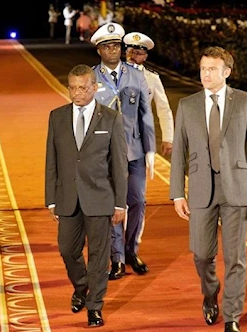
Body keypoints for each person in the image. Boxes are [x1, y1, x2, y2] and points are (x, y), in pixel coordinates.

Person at [169, 46, 247, 332]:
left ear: (227, 72)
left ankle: (232, 317)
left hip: (237, 188)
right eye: (203, 69)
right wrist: (177, 192)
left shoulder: (245, 101)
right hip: (200, 190)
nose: (206, 74)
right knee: (201, 255)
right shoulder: (187, 105)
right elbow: (179, 154)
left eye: (212, 69)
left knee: (236, 257)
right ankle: (210, 292)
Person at [45, 64, 128, 327]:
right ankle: (81, 286)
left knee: (99, 256)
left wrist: (120, 203)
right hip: (68, 198)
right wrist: (51, 198)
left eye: (82, 87)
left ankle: (95, 306)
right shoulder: (56, 117)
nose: (76, 93)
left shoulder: (111, 118)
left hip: (100, 198)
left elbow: (119, 165)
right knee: (67, 250)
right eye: (72, 87)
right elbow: (52, 160)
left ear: (94, 87)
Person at [90, 22, 156, 280]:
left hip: (134, 149)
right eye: (107, 47)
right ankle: (116, 258)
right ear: (99, 51)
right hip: (105, 153)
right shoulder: (92, 77)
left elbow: (145, 113)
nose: (113, 50)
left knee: (138, 201)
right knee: (113, 205)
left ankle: (131, 251)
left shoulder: (136, 74)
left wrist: (150, 149)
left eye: (116, 45)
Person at [123, 31, 174, 156]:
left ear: (145, 57)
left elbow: (164, 109)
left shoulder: (152, 78)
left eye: (138, 53)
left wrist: (168, 138)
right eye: (131, 51)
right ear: (125, 53)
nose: (133, 56)